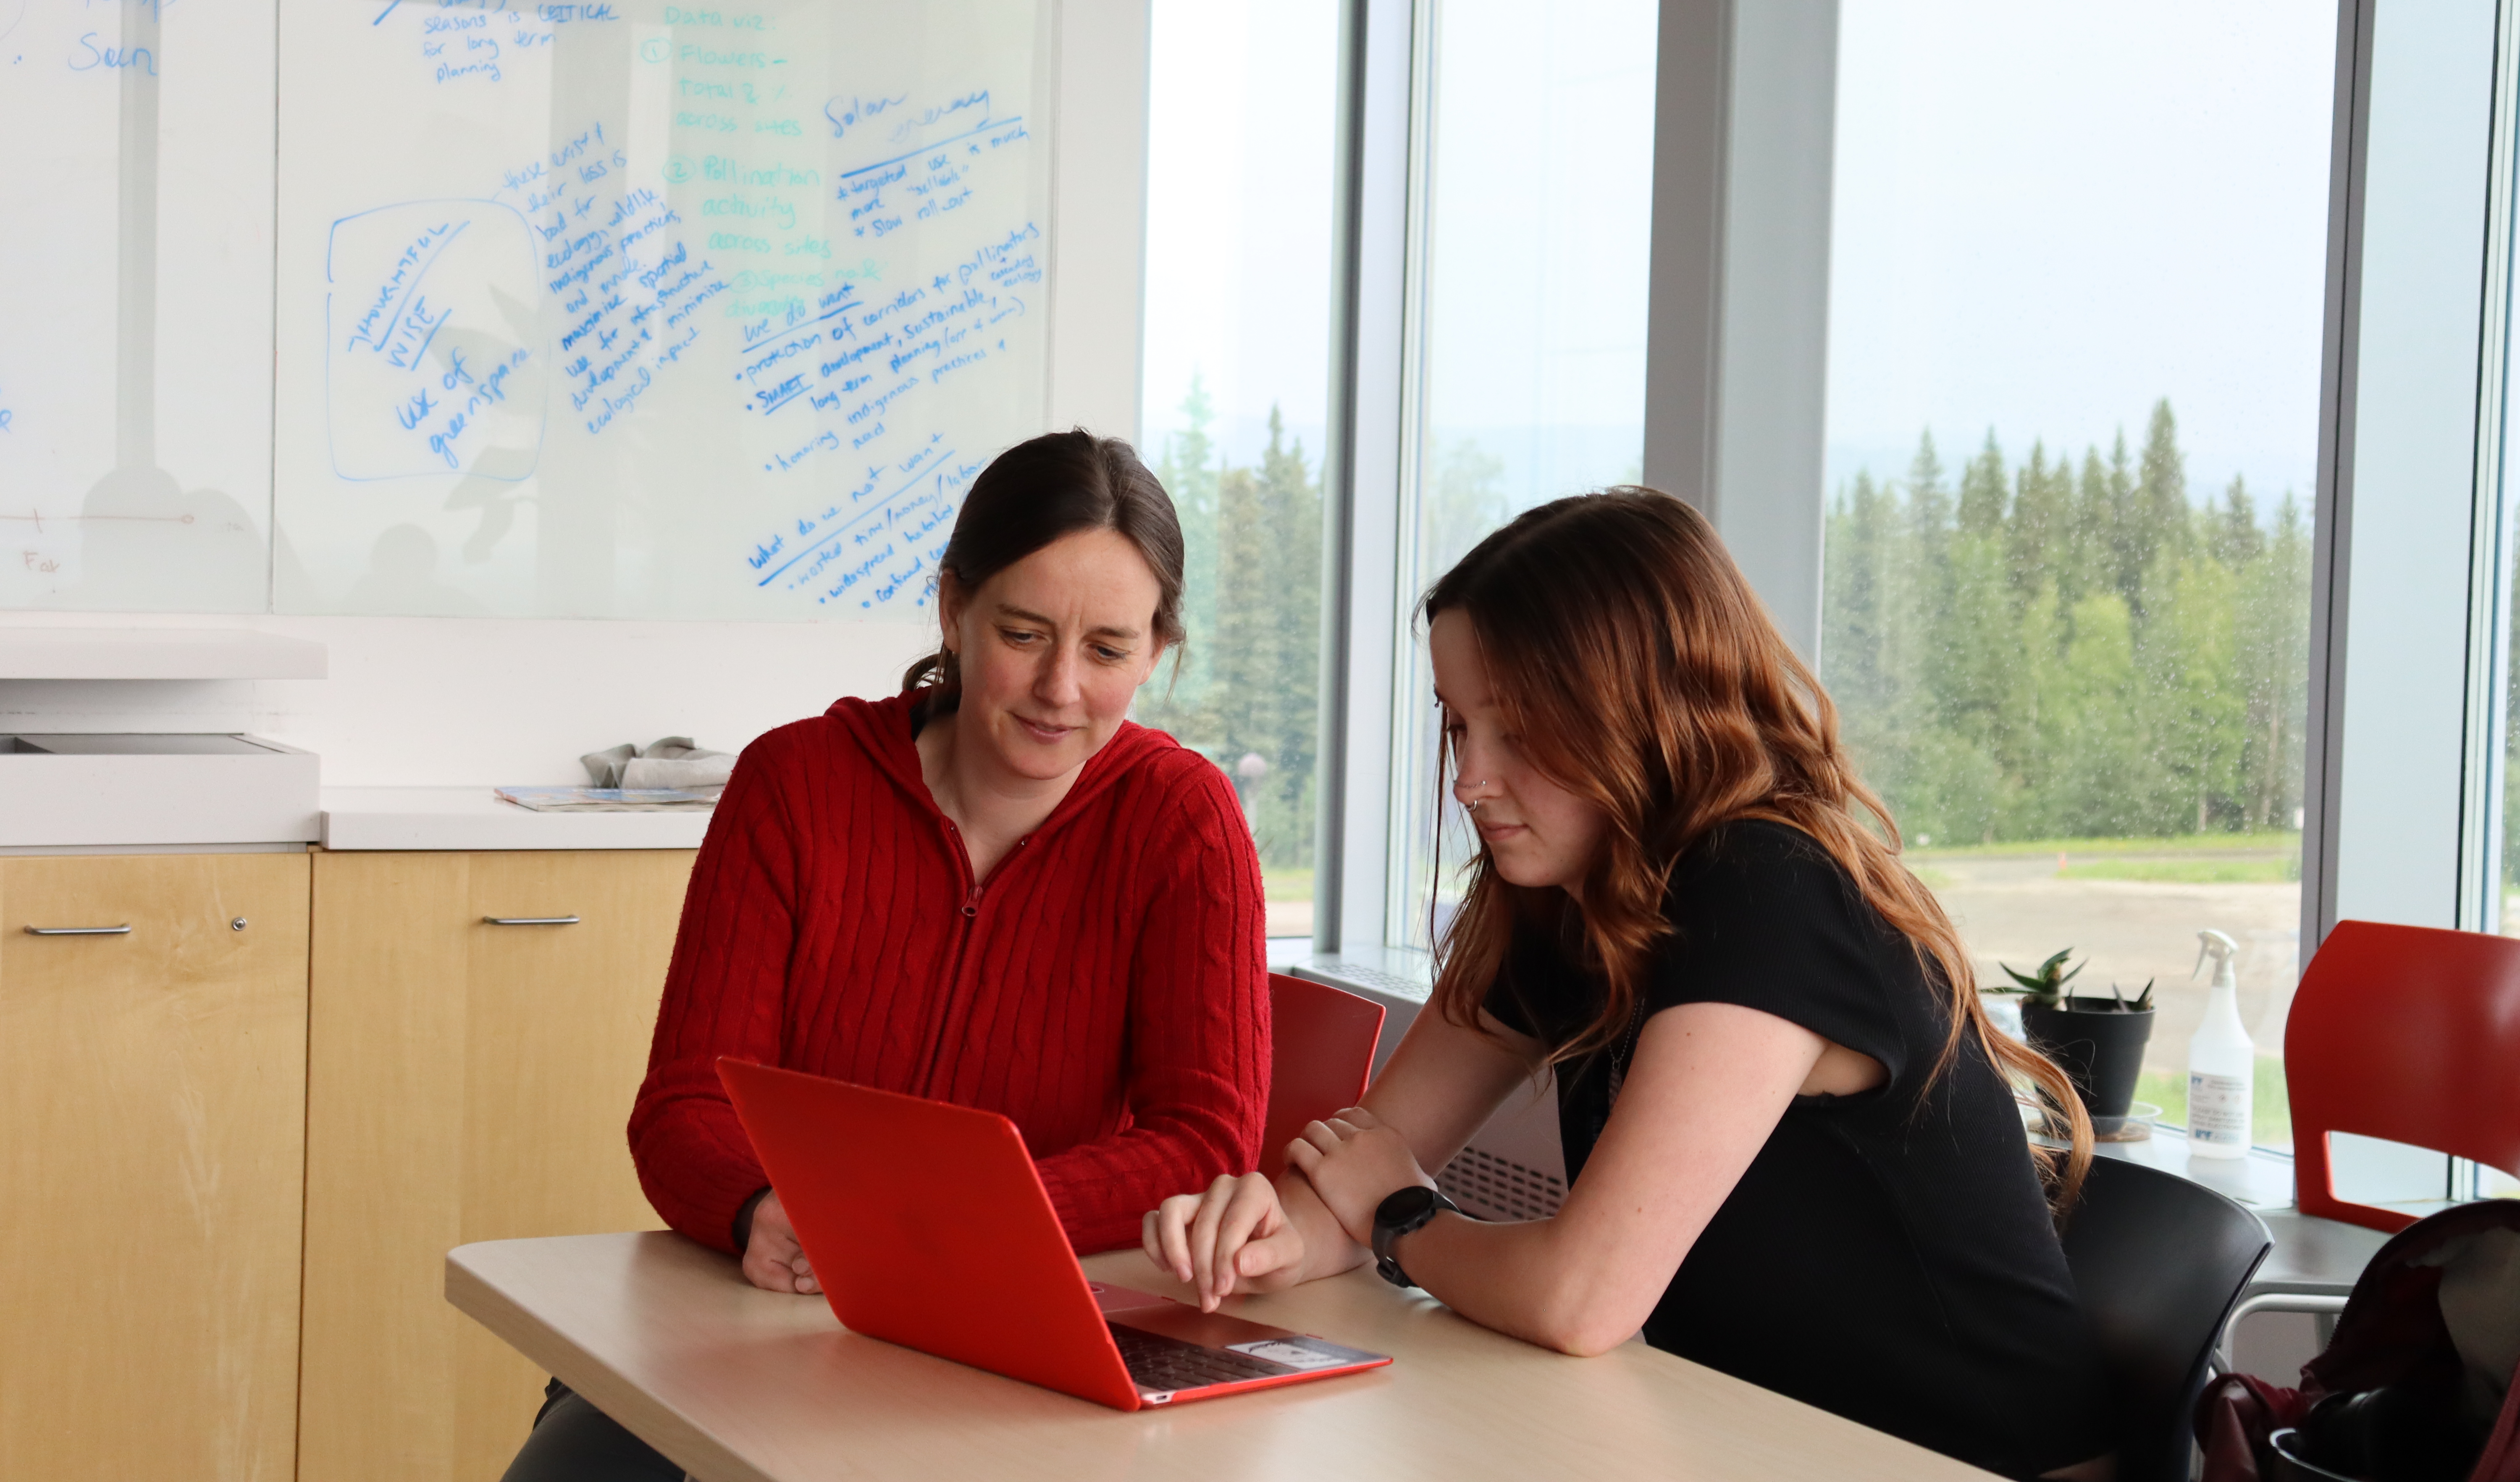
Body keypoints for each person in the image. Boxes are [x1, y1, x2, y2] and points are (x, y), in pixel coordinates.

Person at [1146, 489, 2116, 1482]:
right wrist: (1264, 1235)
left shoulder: (1769, 884)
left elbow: (1580, 1297)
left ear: (1644, 712)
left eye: (1519, 731)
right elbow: (1360, 1167)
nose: (1470, 779)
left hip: (1970, 1459)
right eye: (1458, 725)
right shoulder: (1566, 890)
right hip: (1756, 1436)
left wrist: (1398, 1215)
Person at [506, 429, 1270, 1481]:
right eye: (1023, 631)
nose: (1060, 687)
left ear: (1157, 651)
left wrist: (942, 1228)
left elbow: (1206, 1139)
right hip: (752, 1316)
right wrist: (753, 1208)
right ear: (954, 608)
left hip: (1014, 1346)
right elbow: (684, 1104)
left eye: (1108, 650)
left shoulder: (1184, 820)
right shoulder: (795, 783)